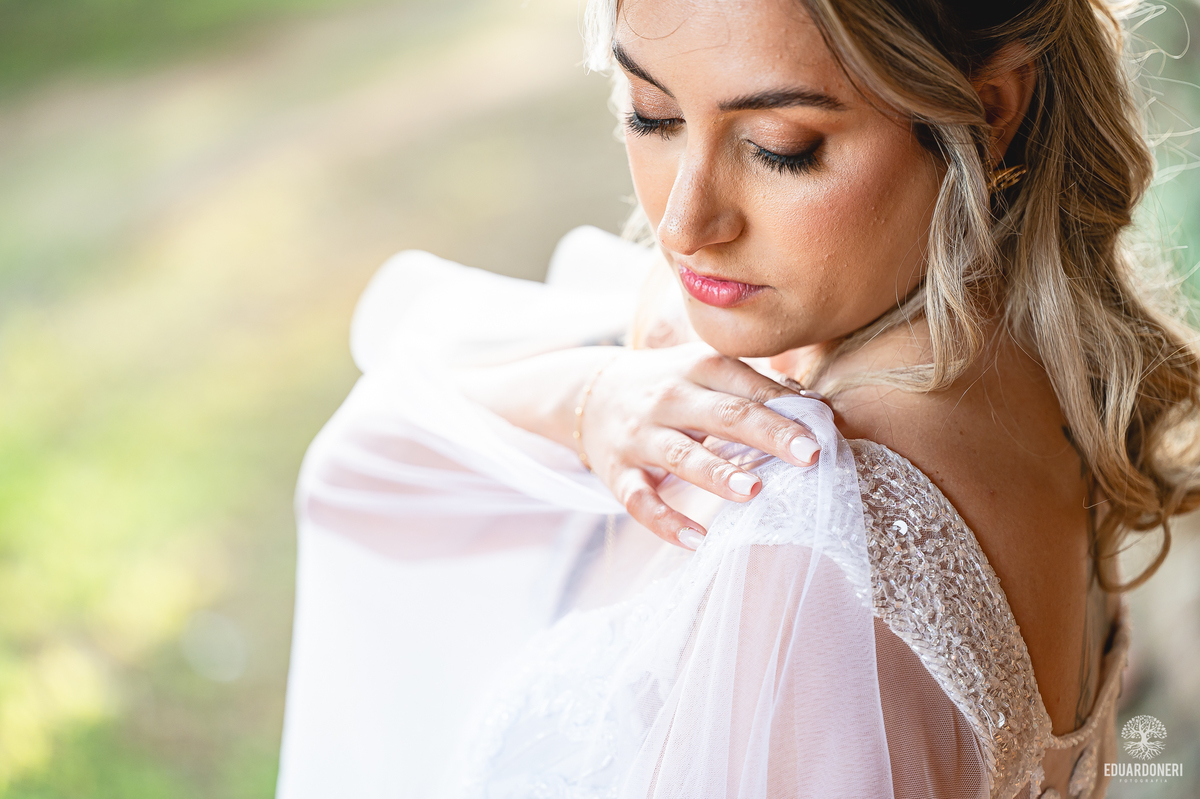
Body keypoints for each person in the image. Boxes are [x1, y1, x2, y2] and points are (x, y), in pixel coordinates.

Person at [274, 0, 1200, 797]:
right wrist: (585, 397)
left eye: (780, 148)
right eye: (650, 114)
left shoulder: (814, 523)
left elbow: (361, 485)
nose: (684, 221)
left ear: (990, 110)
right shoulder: (1045, 383)